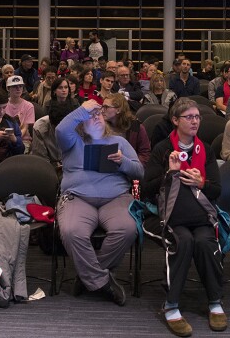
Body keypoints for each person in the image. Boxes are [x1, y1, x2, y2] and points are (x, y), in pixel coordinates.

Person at [142, 97, 225, 335]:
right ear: (175, 120)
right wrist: (169, 173)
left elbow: (217, 190)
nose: (195, 121)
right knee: (183, 241)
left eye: (197, 116)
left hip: (199, 214)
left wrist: (201, 182)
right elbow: (145, 189)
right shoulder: (163, 149)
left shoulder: (205, 149)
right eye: (189, 117)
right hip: (171, 215)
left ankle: (215, 301)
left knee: (205, 242)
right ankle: (171, 305)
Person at [56, 99, 142, 306]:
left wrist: (123, 162)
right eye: (90, 116)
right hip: (78, 198)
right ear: (81, 123)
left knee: (128, 228)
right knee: (71, 231)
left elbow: (139, 172)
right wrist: (83, 109)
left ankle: (87, 277)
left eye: (99, 115)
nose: (96, 118)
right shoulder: (72, 141)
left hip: (116, 198)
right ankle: (102, 282)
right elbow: (60, 129)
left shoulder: (119, 142)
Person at [102, 93, 151, 165]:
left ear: (118, 110)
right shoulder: (100, 126)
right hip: (106, 167)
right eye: (102, 107)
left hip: (129, 169)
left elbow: (144, 154)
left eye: (106, 107)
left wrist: (134, 167)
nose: (102, 110)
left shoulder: (136, 127)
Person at [5, 76, 36, 151]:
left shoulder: (29, 106)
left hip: (23, 140)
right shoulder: (3, 104)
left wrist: (15, 139)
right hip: (5, 139)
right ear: (8, 88)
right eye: (15, 86)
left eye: (20, 86)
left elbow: (25, 128)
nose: (18, 89)